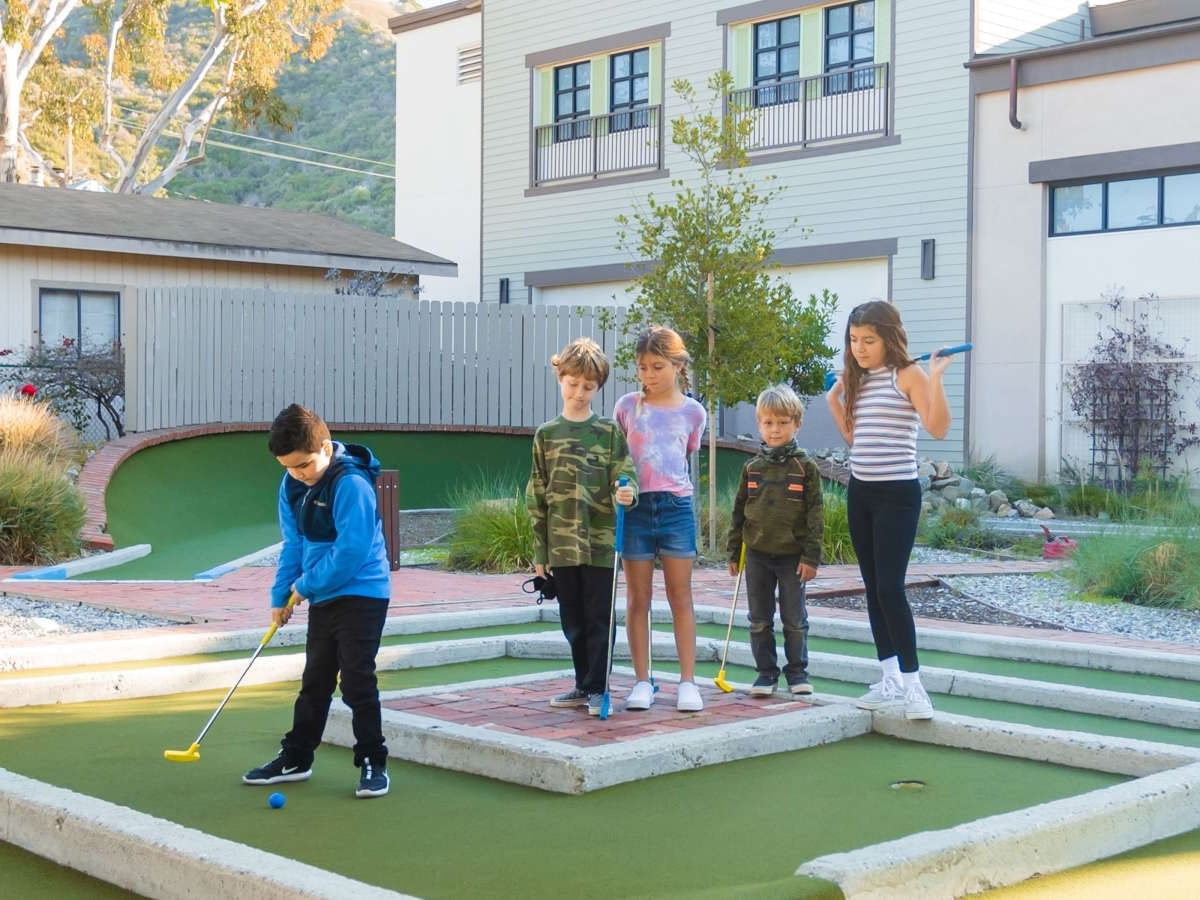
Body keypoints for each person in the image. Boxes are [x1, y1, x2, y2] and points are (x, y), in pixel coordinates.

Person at [243, 404, 392, 798]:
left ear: (325, 447)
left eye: (305, 465)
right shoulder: (292, 485)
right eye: (289, 467)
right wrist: (281, 596)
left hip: (363, 591)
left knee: (357, 679)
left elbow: (351, 551)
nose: (299, 474)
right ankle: (296, 757)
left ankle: (373, 760)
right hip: (322, 592)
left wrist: (306, 587)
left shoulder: (351, 484)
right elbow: (294, 544)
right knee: (316, 680)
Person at [825, 301, 954, 720]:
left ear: (888, 338)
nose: (859, 348)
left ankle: (915, 687)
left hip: (897, 494)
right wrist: (834, 400)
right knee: (872, 587)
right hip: (860, 491)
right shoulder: (859, 379)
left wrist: (934, 378)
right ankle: (889, 678)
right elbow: (854, 439)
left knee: (890, 588)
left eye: (869, 340)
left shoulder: (908, 374)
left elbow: (937, 427)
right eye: (853, 340)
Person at [527, 338, 637, 716]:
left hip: (601, 544)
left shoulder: (607, 432)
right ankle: (582, 683)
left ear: (598, 388)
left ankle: (597, 686)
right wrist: (540, 552)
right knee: (572, 618)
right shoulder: (546, 434)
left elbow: (625, 474)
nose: (579, 392)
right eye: (572, 384)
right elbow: (537, 495)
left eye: (588, 387)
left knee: (598, 618)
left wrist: (627, 492)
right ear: (560, 379)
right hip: (561, 545)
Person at [614, 326, 707, 712]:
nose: (648, 375)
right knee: (638, 598)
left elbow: (684, 453)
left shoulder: (693, 412)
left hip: (676, 507)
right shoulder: (626, 406)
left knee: (680, 595)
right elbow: (619, 460)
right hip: (634, 509)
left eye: (657, 367)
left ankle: (687, 682)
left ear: (677, 365)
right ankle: (642, 681)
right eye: (642, 367)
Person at [726, 384, 823, 697]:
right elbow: (739, 511)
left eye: (783, 422)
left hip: (793, 557)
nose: (775, 429)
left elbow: (815, 516)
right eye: (768, 423)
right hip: (756, 555)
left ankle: (797, 673)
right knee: (759, 620)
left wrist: (811, 557)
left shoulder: (805, 467)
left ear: (797, 423)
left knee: (794, 620)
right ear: (759, 425)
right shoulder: (751, 468)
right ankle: (766, 674)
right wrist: (732, 552)